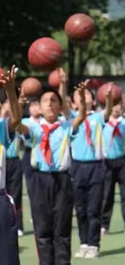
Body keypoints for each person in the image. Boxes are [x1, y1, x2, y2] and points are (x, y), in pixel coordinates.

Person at [6, 66, 89, 265]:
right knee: (43, 230)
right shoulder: (33, 126)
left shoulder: (65, 126)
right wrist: (15, 99)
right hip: (39, 180)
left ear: (60, 107)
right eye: (45, 101)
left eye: (54, 101)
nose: (50, 104)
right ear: (39, 108)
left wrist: (82, 102)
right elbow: (17, 124)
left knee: (62, 229)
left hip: (62, 180)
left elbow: (80, 117)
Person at [59, 69, 113, 260]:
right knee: (80, 208)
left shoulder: (98, 117)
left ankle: (94, 244)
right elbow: (63, 102)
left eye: (87, 94)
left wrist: (109, 99)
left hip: (96, 166)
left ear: (93, 99)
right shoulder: (72, 117)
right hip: (78, 167)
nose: (83, 96)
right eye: (78, 95)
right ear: (74, 102)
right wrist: (64, 84)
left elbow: (108, 112)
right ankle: (83, 242)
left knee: (93, 208)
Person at [101, 101, 125, 236]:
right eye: (113, 105)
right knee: (107, 195)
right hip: (106, 162)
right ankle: (104, 224)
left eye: (118, 106)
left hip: (122, 160)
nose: (116, 108)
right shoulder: (103, 122)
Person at [0, 71, 21, 265]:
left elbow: (15, 119)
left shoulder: (0, 128)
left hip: (0, 202)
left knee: (7, 258)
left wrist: (10, 91)